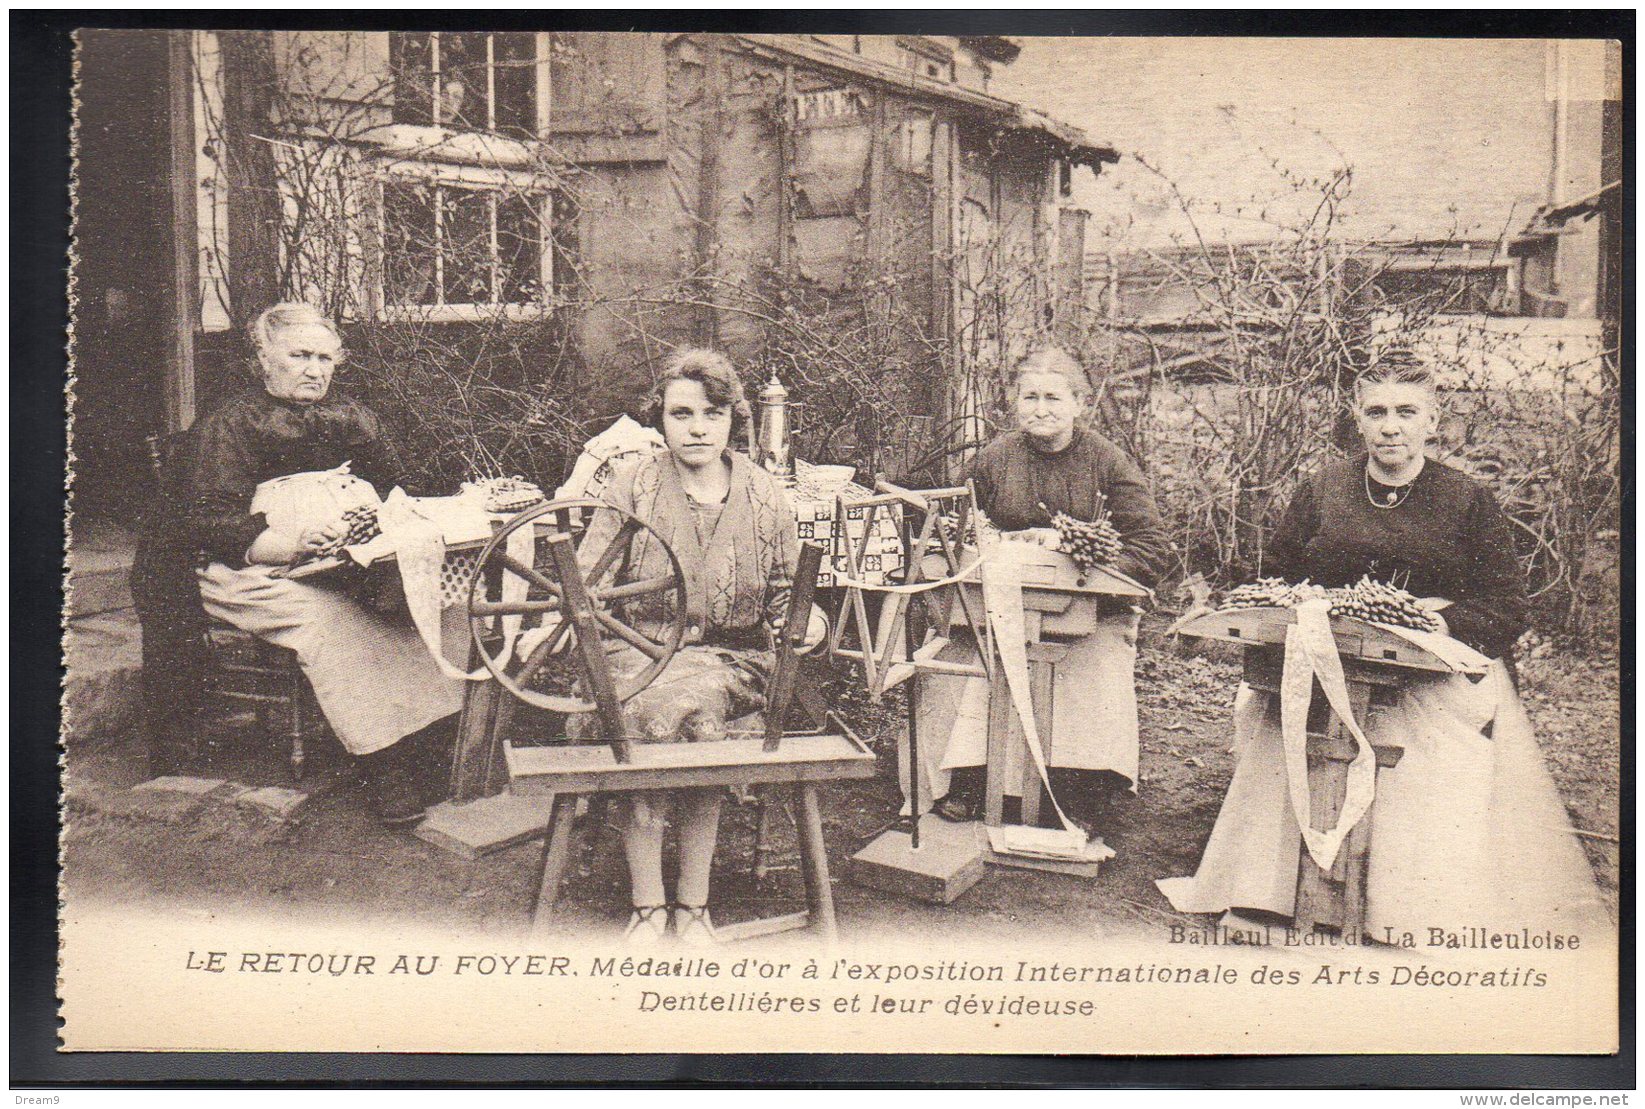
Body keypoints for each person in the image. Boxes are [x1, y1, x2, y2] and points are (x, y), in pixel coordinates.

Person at [1156, 356, 1610, 939]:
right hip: (1327, 659)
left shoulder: (1465, 499)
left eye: (1406, 412)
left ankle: (1399, 908)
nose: (1390, 426)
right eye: (1376, 412)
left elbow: (1505, 607)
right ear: (1357, 420)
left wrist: (1436, 618)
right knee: (1274, 722)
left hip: (1429, 671)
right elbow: (1276, 575)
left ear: (1432, 422)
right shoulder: (1323, 489)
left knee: (1428, 749)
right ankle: (1267, 891)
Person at [171, 303, 464, 826]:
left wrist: (389, 528)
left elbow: (399, 488)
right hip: (251, 571)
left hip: (347, 562)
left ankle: (436, 739)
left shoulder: (350, 415)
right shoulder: (230, 422)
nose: (315, 369)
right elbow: (211, 521)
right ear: (264, 358)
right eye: (300, 355)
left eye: (326, 357)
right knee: (331, 625)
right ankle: (383, 762)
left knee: (435, 603)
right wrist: (294, 541)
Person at [576, 348, 801, 945]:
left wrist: (810, 625)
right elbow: (588, 581)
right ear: (661, 419)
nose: (697, 427)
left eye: (712, 413)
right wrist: (598, 623)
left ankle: (693, 905)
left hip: (733, 660)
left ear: (734, 420)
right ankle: (649, 903)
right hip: (638, 652)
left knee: (694, 707)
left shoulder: (764, 494)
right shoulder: (634, 484)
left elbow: (785, 594)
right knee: (643, 706)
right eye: (681, 413)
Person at [922, 346, 1173, 831]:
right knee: (963, 660)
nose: (1041, 409)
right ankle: (970, 780)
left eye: (1054, 398)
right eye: (1029, 397)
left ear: (1080, 404)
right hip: (1000, 604)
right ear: (1014, 403)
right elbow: (953, 529)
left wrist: (1088, 568)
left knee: (1092, 663)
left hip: (1087, 607)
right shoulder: (994, 460)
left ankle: (1078, 790)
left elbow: (1152, 546)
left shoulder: (1106, 461)